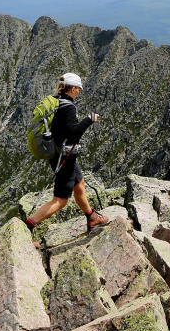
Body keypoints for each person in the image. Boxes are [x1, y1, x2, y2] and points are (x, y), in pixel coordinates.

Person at [25, 73, 108, 243]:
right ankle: (28, 227)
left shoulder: (57, 102)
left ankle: (91, 217)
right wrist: (89, 120)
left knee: (80, 184)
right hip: (64, 158)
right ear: (73, 88)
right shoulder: (69, 107)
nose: (79, 92)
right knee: (60, 200)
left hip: (61, 154)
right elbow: (73, 132)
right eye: (78, 89)